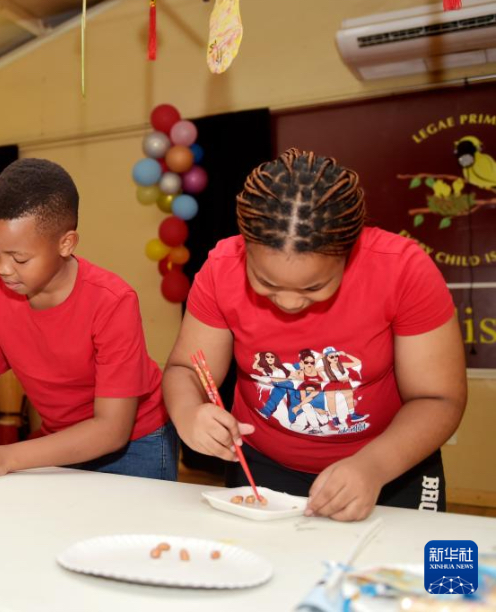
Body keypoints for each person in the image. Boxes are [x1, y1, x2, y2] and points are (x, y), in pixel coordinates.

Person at [163, 148, 466, 521]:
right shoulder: (221, 269)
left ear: (349, 251)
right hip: (262, 470)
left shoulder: (403, 270)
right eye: (267, 283)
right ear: (246, 248)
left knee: (431, 578)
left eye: (314, 287)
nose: (289, 302)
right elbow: (185, 369)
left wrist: (373, 466)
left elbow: (437, 399)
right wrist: (189, 412)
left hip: (392, 468)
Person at [0, 158, 175, 480]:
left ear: (66, 243)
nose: (3, 268)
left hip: (136, 443)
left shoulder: (112, 301)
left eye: (19, 257)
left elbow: (111, 430)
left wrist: (6, 455)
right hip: (59, 441)